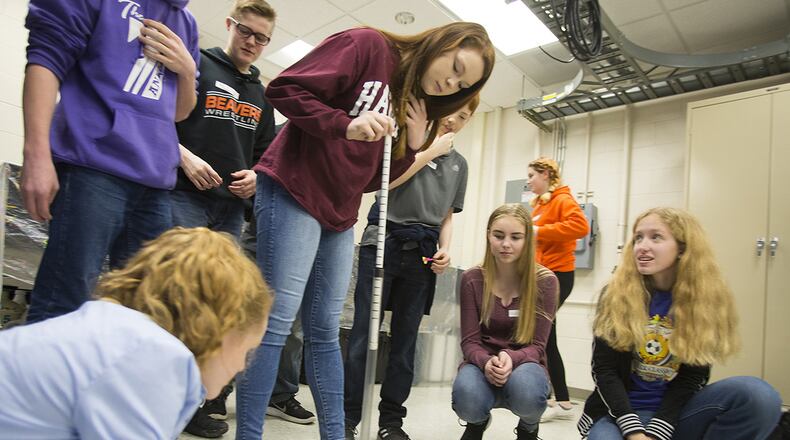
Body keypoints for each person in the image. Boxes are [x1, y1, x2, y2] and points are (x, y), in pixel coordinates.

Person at [235, 22, 495, 440]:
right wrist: (344, 124)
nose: (450, 82)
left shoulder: (413, 104)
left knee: (324, 330)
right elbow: (283, 89)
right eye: (455, 66)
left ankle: (336, 435)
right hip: (294, 188)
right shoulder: (368, 46)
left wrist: (412, 142)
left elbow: (372, 181)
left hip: (339, 212)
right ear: (442, 43)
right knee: (278, 320)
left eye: (461, 84)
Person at [21, 0, 200, 324]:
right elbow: (45, 60)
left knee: (144, 312)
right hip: (93, 167)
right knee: (64, 301)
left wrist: (187, 71)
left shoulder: (185, 22)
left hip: (154, 182)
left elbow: (179, 112)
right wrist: (36, 154)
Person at [0, 227, 273, 438]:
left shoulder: (107, 330)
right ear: (220, 327)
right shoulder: (154, 357)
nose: (241, 366)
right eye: (247, 351)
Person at [578, 207, 782, 440]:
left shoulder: (704, 300)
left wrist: (657, 432)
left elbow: (693, 377)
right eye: (638, 238)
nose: (642, 246)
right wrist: (634, 432)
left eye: (656, 237)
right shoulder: (616, 294)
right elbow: (605, 371)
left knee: (759, 395)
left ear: (682, 248)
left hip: (675, 412)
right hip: (618, 413)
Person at [344, 95, 479, 440]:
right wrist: (430, 152)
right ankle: (346, 417)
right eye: (453, 111)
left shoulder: (459, 166)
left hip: (422, 251)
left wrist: (446, 249)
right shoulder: (404, 142)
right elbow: (383, 183)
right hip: (383, 242)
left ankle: (391, 422)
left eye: (464, 117)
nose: (455, 121)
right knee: (363, 335)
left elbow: (447, 216)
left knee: (405, 343)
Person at [171, 1, 277, 436]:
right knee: (176, 300)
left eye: (262, 38)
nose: (252, 42)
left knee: (215, 310)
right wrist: (185, 159)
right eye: (246, 32)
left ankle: (196, 405)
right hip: (184, 198)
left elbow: (267, 157)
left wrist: (256, 177)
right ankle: (161, 397)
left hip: (229, 213)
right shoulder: (197, 62)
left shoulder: (262, 94)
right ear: (230, 26)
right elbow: (163, 120)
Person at [452, 203, 558, 440]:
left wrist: (511, 357)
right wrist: (487, 362)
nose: (506, 244)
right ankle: (476, 422)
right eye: (498, 236)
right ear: (488, 236)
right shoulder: (472, 279)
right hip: (481, 360)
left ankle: (528, 427)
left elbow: (538, 346)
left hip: (526, 361)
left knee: (528, 393)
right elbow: (469, 342)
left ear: (527, 239)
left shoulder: (545, 282)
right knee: (466, 394)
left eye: (516, 237)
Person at [526, 157, 589, 420]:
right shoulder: (540, 204)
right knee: (545, 334)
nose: (528, 180)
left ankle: (554, 398)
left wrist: (539, 230)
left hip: (559, 275)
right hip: (542, 275)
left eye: (531, 175)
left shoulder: (562, 199)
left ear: (545, 175)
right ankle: (561, 399)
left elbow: (580, 226)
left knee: (542, 335)